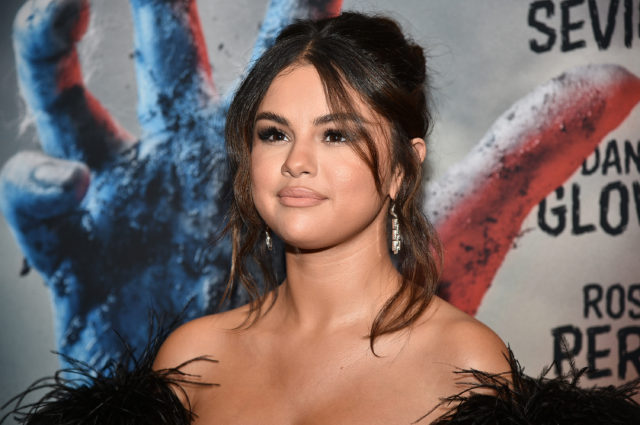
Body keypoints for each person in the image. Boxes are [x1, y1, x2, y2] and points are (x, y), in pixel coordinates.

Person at [153, 12, 509, 424]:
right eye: (275, 134)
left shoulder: (467, 367)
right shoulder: (191, 362)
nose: (296, 162)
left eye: (335, 135)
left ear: (403, 167)